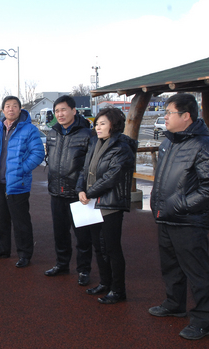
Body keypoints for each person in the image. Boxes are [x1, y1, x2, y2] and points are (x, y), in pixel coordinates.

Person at [148, 93, 209, 340]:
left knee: (198, 272)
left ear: (186, 116)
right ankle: (174, 304)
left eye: (169, 112)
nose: (165, 116)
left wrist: (179, 205)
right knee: (171, 267)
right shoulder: (169, 142)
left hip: (188, 220)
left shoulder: (204, 145)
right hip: (166, 217)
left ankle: (203, 321)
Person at [76, 107, 136, 304]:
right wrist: (80, 189)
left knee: (111, 247)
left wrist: (89, 193)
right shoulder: (95, 142)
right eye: (96, 124)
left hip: (110, 204)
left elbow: (112, 177)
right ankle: (104, 282)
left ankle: (118, 290)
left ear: (114, 125)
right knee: (98, 246)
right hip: (92, 203)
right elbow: (85, 170)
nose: (97, 127)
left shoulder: (122, 147)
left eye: (102, 123)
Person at [0, 96, 45, 268]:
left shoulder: (29, 129)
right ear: (2, 110)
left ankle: (24, 254)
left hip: (18, 182)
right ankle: (2, 249)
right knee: (1, 219)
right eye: (7, 106)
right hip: (1, 181)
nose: (10, 109)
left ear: (20, 109)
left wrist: (21, 170)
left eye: (14, 106)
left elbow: (38, 154)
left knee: (21, 221)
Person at [45, 95, 94, 286]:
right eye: (57, 111)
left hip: (78, 194)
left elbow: (89, 165)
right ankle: (62, 264)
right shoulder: (52, 133)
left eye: (64, 110)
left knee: (83, 235)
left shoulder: (87, 134)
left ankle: (84, 270)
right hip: (56, 192)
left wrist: (82, 187)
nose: (60, 114)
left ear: (74, 111)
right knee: (60, 233)